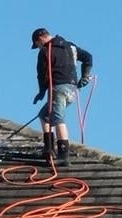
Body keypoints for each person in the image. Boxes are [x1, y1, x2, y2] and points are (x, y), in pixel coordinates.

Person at [31, 28, 93, 166]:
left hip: (57, 89)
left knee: (57, 118)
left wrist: (41, 92)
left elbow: (41, 74)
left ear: (40, 39)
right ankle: (48, 149)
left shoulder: (45, 51)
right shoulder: (70, 46)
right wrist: (85, 76)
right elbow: (88, 57)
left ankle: (63, 155)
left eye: (37, 44)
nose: (39, 47)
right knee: (44, 115)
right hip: (72, 90)